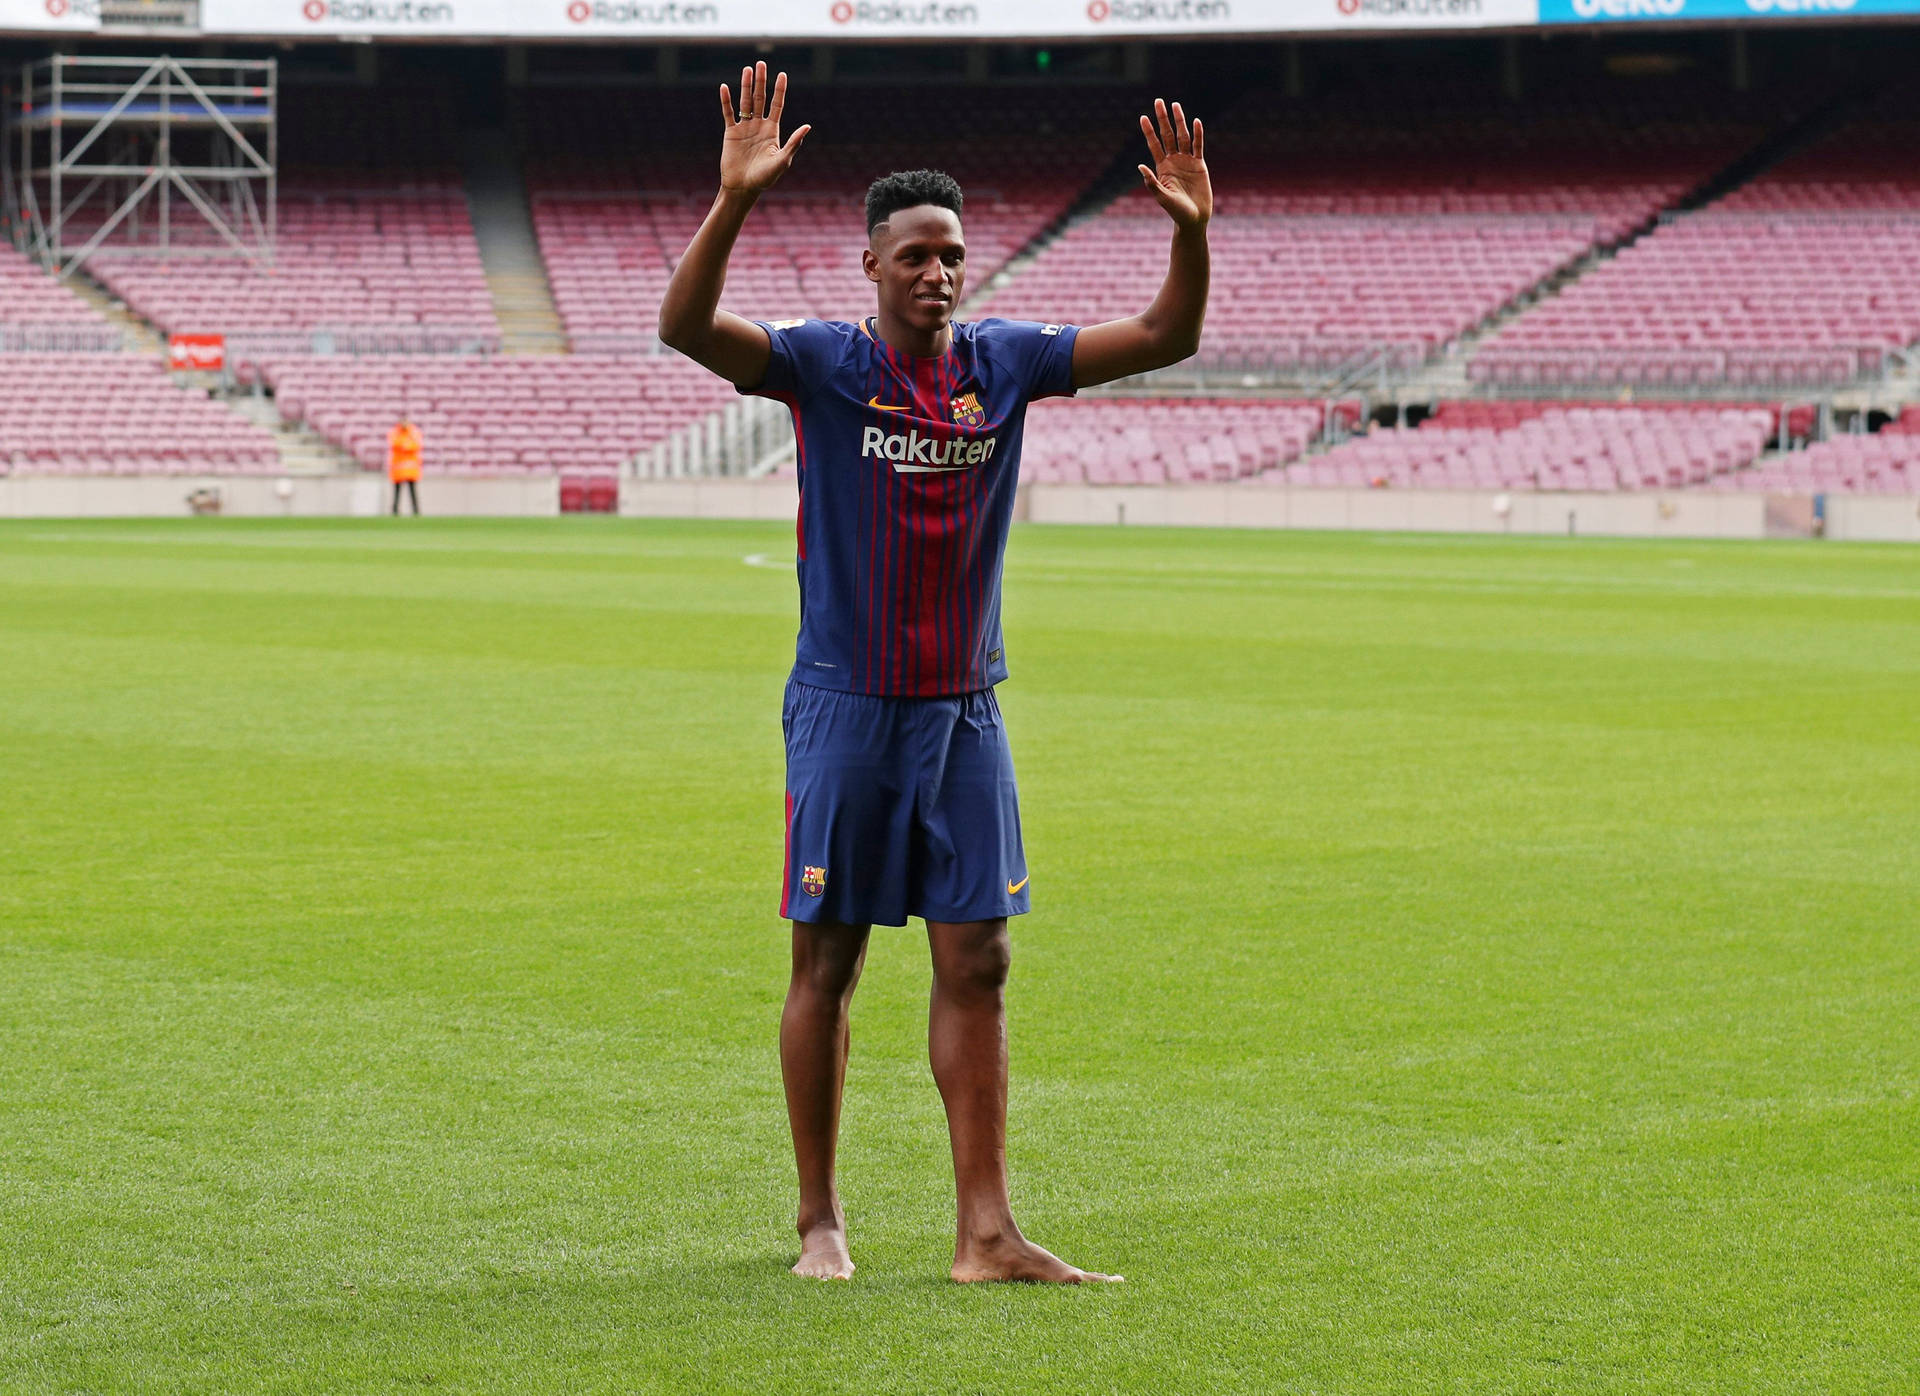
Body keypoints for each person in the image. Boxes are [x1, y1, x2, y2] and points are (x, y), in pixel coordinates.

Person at [658, 62, 1211, 1285]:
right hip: (847, 706)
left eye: (951, 252)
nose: (937, 270)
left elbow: (1169, 336)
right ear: (872, 265)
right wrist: (734, 200)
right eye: (912, 253)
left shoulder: (1006, 364)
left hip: (966, 712)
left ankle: (986, 1232)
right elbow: (686, 330)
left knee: (980, 960)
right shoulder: (822, 364)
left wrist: (1192, 235)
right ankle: (820, 1220)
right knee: (829, 958)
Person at [388, 418, 422, 515]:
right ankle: (395, 510)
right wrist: (406, 444)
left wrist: (405, 445)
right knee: (397, 491)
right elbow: (394, 443)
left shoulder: (414, 432)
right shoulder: (395, 432)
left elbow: (416, 445)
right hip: (398, 469)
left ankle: (415, 510)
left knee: (412, 490)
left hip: (411, 469)